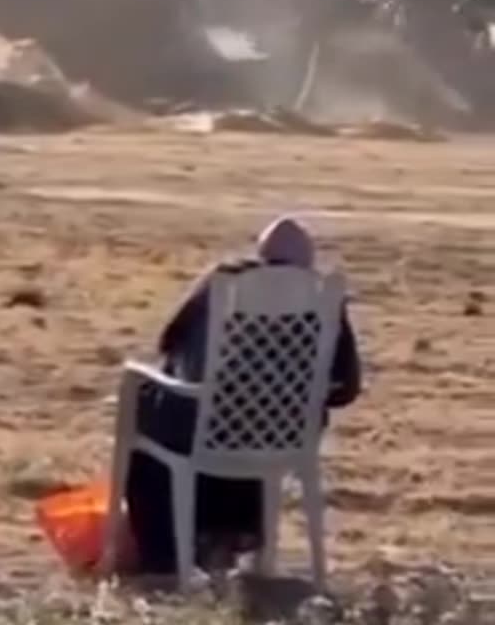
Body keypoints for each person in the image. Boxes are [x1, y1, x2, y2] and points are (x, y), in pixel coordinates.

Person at [124, 216, 363, 575]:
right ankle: (230, 541)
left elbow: (169, 341)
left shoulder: (224, 282)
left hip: (201, 434)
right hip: (286, 439)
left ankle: (164, 560)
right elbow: (346, 388)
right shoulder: (324, 298)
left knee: (147, 409)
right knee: (247, 432)